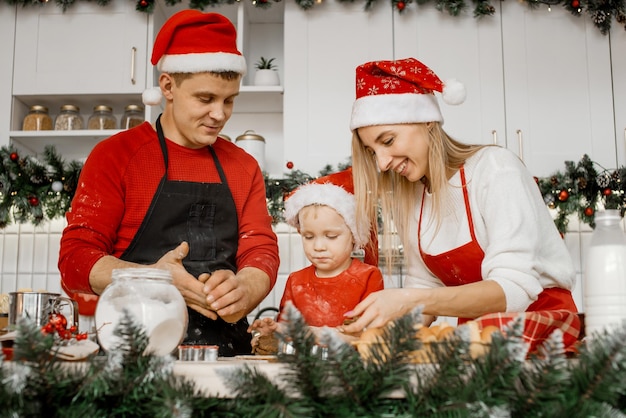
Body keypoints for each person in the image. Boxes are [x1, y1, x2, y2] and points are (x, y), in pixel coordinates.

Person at [58, 10, 280, 356]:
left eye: (229, 100)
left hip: (225, 358)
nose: (219, 114)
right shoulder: (116, 155)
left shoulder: (243, 166)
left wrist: (244, 289)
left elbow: (261, 252)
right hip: (131, 356)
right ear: (168, 86)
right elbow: (75, 260)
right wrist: (152, 280)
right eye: (205, 99)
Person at [340, 57, 580, 349]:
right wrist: (371, 335)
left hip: (540, 329)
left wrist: (408, 299)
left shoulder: (494, 168)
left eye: (388, 141)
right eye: (372, 151)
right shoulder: (412, 196)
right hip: (478, 338)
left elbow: (514, 291)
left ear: (427, 121)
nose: (382, 163)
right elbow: (424, 289)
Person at [248, 181, 384, 348]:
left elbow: (369, 335)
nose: (318, 247)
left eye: (331, 236)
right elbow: (288, 332)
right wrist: (274, 331)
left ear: (354, 236)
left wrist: (316, 334)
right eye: (309, 237)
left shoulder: (369, 276)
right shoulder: (295, 281)